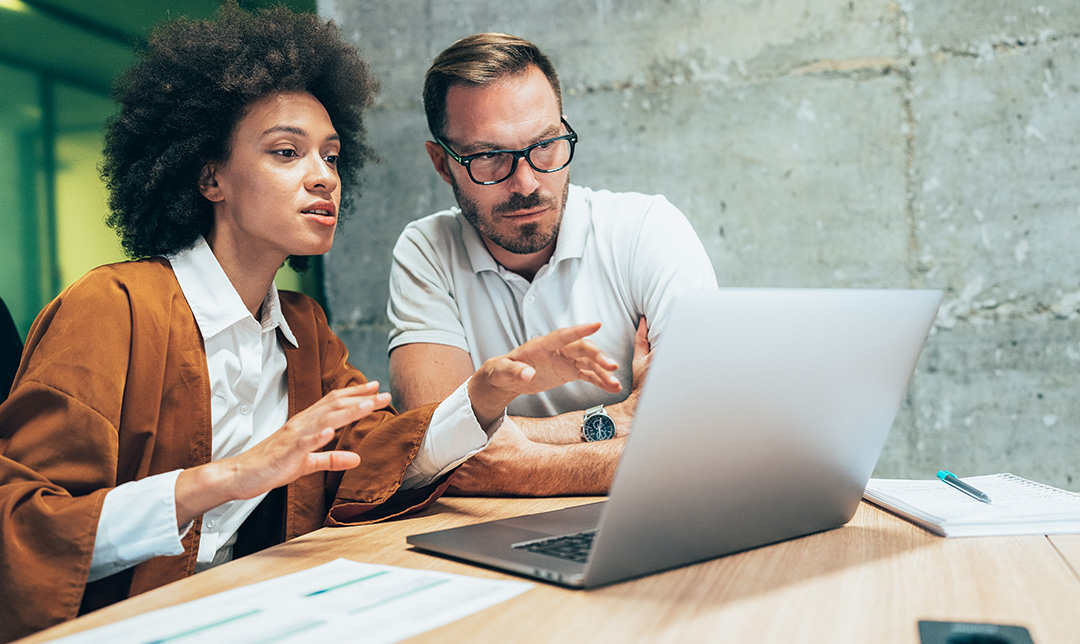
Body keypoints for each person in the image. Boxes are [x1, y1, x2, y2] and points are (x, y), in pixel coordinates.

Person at [0, 8, 620, 641]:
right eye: (286, 152)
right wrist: (224, 480)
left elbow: (372, 459)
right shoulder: (111, 308)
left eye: (330, 154)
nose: (324, 175)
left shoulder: (303, 328)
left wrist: (483, 393)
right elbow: (24, 530)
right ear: (209, 174)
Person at [387, 33, 718, 496]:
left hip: (644, 514)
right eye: (488, 156)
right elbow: (428, 450)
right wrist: (617, 419)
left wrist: (523, 464)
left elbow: (706, 437)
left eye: (545, 145)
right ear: (442, 163)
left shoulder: (646, 229)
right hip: (491, 532)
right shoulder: (427, 250)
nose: (526, 182)